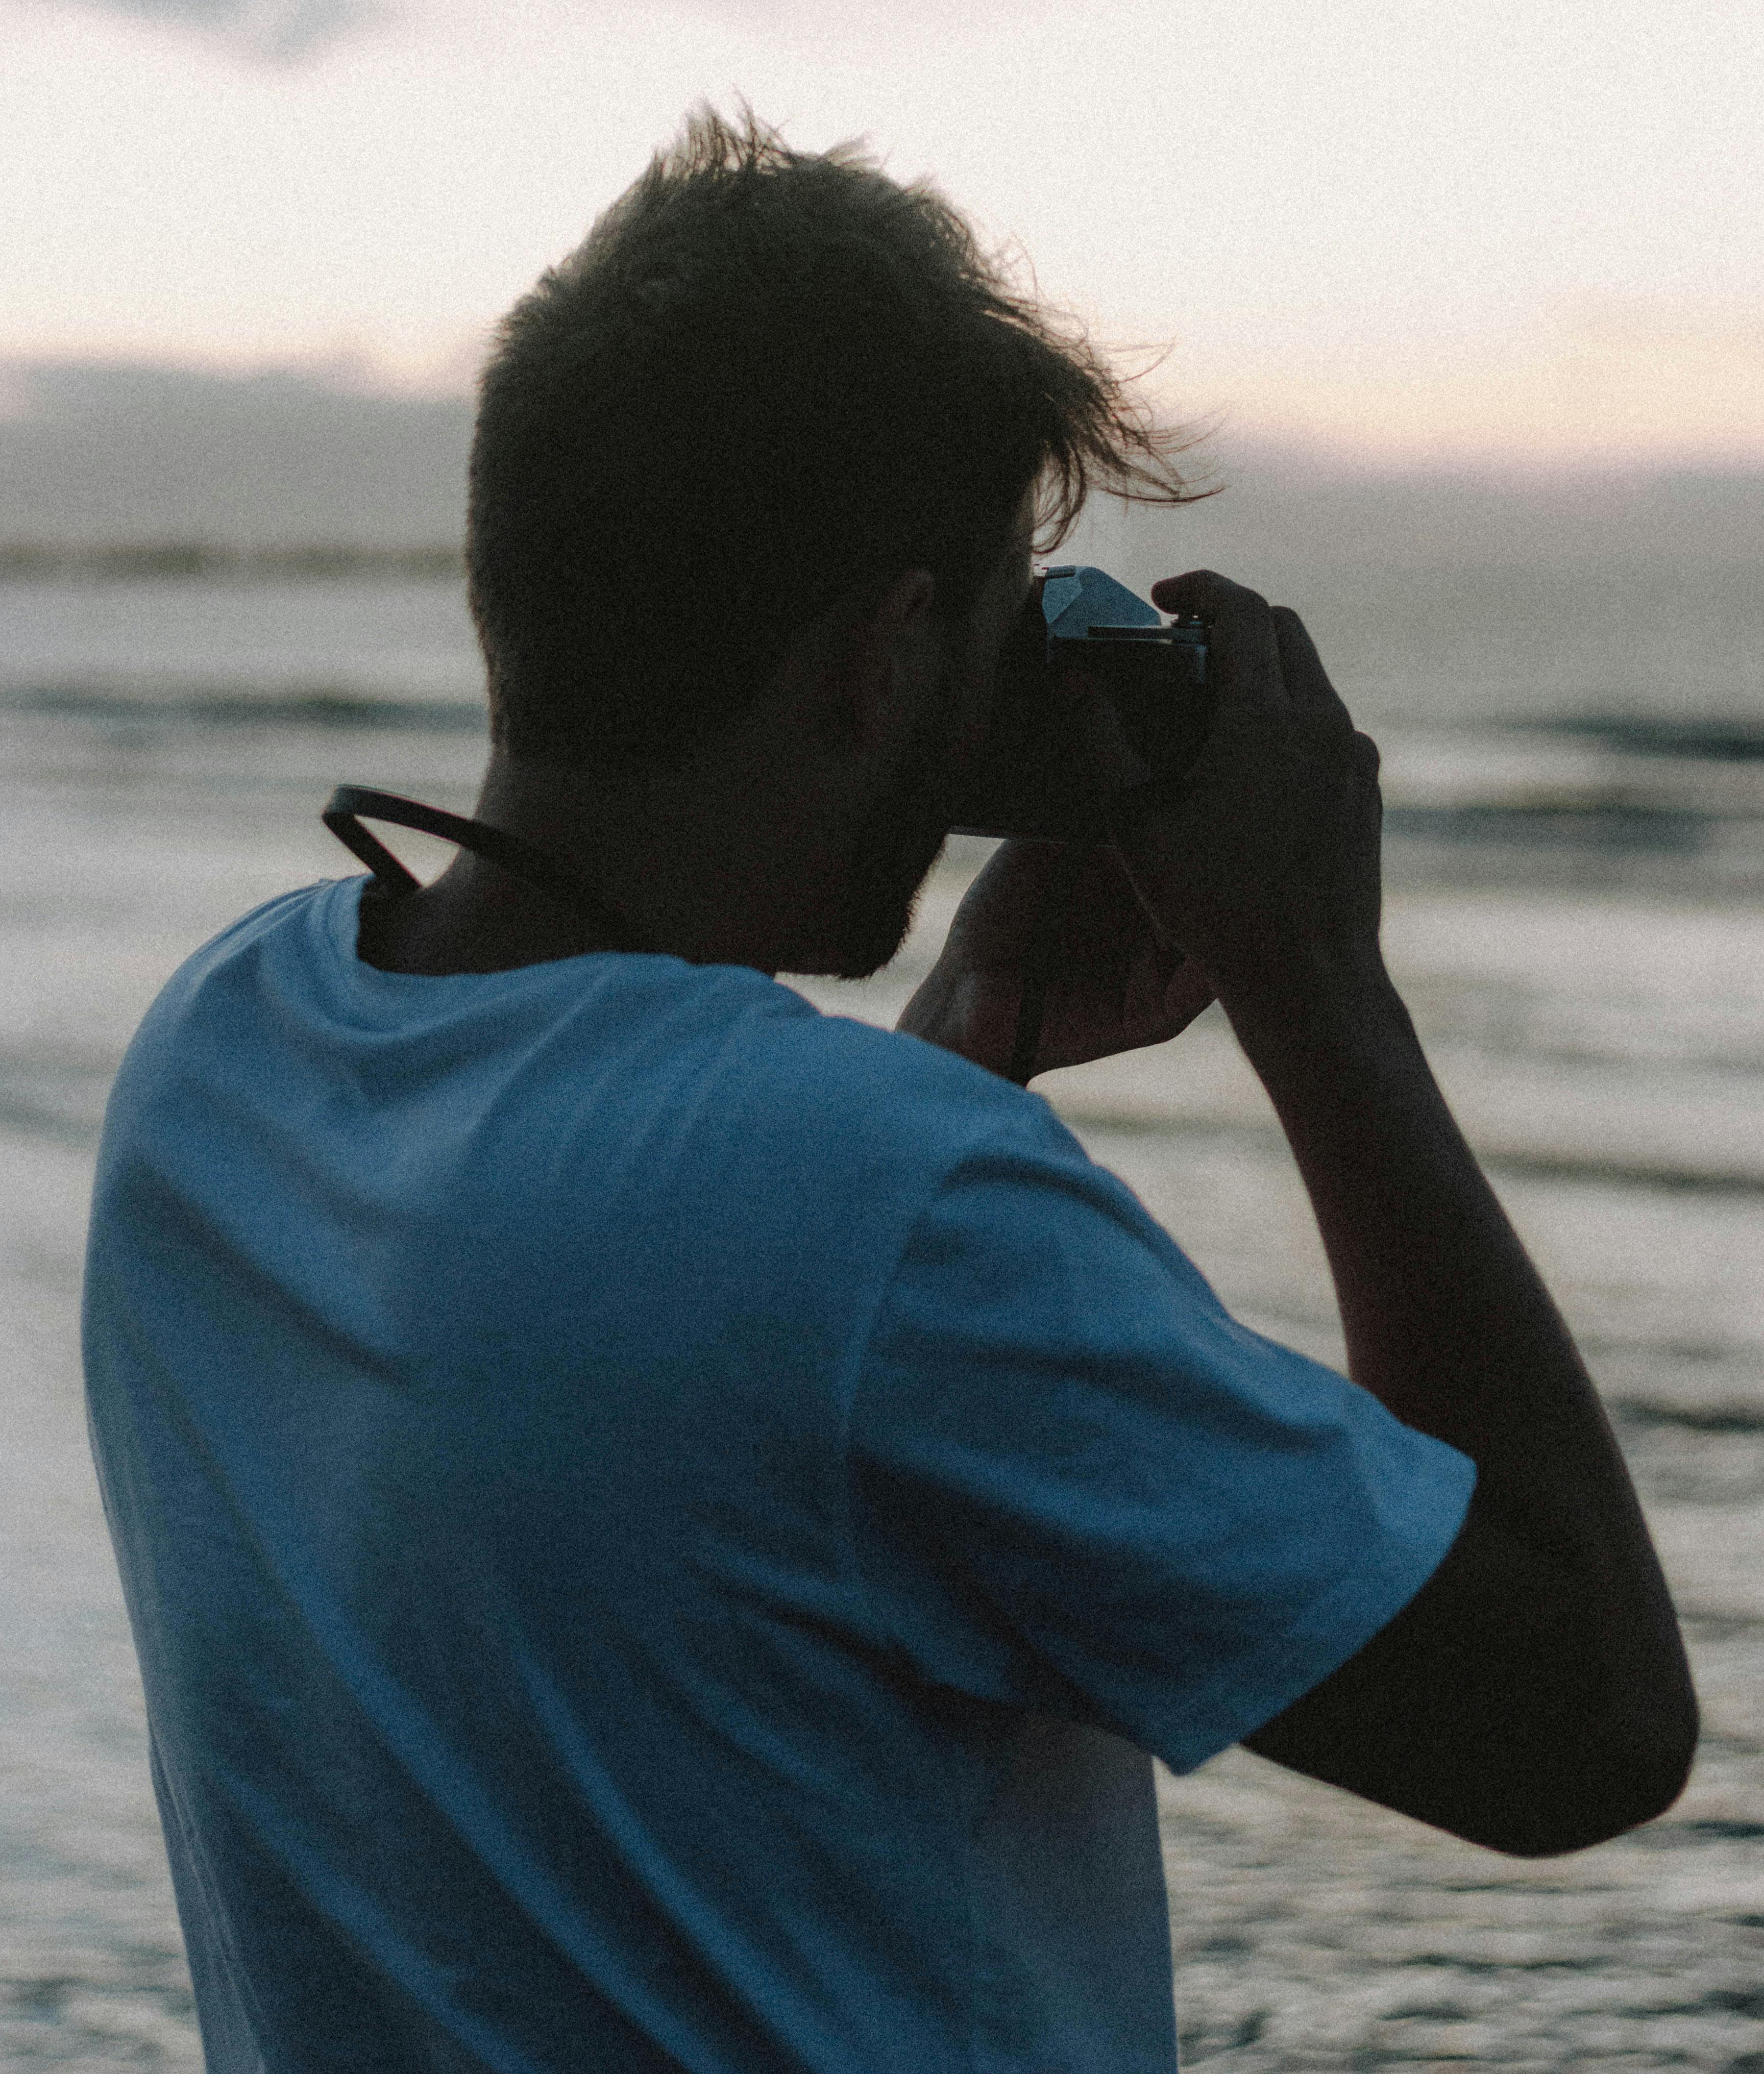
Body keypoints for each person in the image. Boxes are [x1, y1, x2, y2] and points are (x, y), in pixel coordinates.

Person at [84, 111, 1696, 2074]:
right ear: (886, 652)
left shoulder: (219, 1055)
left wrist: (969, 1028)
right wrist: (1319, 990)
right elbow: (1581, 1726)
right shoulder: (880, 1214)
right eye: (994, 619)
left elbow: (666, 1402)